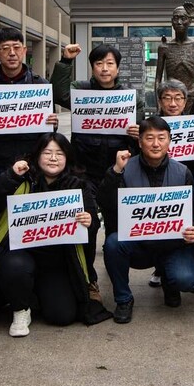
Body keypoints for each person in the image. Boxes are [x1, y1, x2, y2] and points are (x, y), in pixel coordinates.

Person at [0, 133, 112, 341]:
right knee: (16, 267)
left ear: (67, 158)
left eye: (59, 153)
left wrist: (89, 221)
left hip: (56, 262)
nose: (53, 158)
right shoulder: (22, 178)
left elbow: (92, 227)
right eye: (47, 153)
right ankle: (20, 310)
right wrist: (11, 175)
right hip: (19, 255)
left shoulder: (77, 185)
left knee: (62, 316)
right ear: (37, 156)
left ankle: (34, 295)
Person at [51, 42, 144, 292]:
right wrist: (65, 62)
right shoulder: (80, 91)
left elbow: (144, 135)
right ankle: (87, 280)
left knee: (115, 231)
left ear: (118, 68)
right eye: (99, 64)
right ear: (92, 67)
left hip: (116, 174)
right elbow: (58, 94)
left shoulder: (131, 97)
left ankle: (119, 286)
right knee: (88, 226)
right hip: (84, 172)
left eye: (110, 64)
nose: (104, 69)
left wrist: (138, 133)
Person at [0, 27, 59, 264]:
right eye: (5, 49)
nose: (11, 53)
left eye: (16, 48)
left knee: (35, 222)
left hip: (33, 167)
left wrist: (52, 124)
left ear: (25, 51)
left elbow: (48, 134)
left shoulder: (40, 85)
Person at [97, 116, 194, 324]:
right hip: (138, 245)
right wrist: (115, 172)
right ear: (139, 141)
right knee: (113, 244)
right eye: (149, 138)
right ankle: (124, 299)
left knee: (186, 279)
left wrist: (193, 230)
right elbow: (105, 202)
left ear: (170, 140)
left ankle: (170, 282)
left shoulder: (182, 171)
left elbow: (191, 214)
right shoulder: (124, 168)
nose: (155, 143)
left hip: (171, 244)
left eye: (161, 138)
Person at [152, 78, 194, 292]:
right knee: (157, 226)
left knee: (193, 227)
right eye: (167, 98)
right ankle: (158, 268)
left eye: (178, 98)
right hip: (156, 187)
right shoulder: (150, 125)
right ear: (160, 101)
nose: (173, 103)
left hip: (187, 184)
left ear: (185, 101)